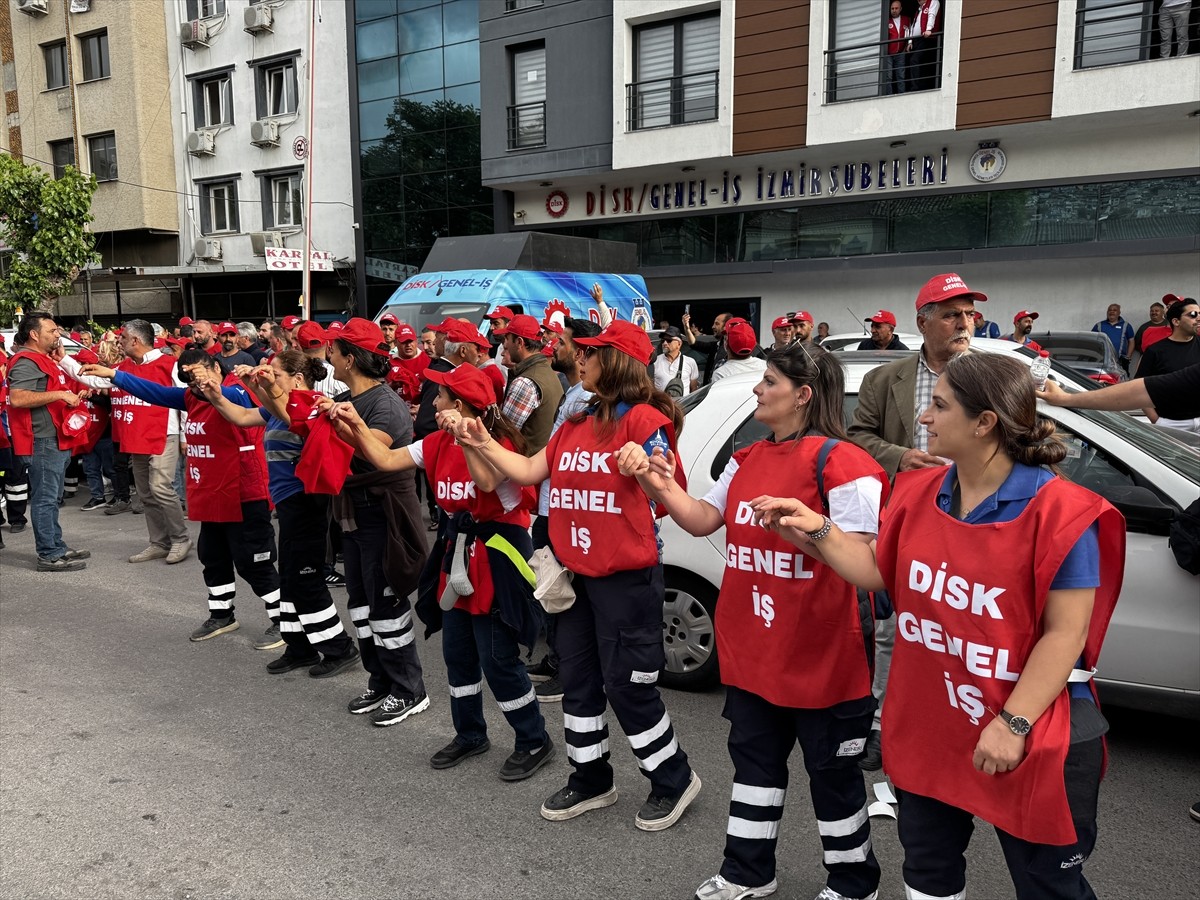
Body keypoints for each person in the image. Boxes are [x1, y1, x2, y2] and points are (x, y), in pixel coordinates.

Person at [756, 352, 1124, 900]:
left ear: (985, 423)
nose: (924, 418)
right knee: (928, 874)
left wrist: (1013, 724)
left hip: (1026, 732)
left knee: (1049, 883)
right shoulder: (920, 492)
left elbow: (1065, 635)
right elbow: (878, 570)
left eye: (941, 406)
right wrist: (811, 528)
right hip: (931, 728)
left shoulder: (1062, 513)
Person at [625, 343, 885, 900]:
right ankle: (747, 872)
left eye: (769, 382)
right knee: (754, 771)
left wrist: (807, 527)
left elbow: (864, 564)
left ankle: (853, 884)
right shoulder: (747, 458)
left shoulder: (847, 464)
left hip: (824, 660)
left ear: (803, 395)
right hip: (754, 654)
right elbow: (702, 520)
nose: (757, 391)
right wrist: (659, 482)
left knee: (834, 780)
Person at [448, 319, 702, 832]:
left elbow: (667, 486)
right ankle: (591, 778)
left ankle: (673, 779)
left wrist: (647, 465)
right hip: (573, 576)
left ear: (616, 362)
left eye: (589, 352)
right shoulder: (574, 421)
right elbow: (526, 472)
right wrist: (478, 440)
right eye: (579, 351)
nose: (577, 358)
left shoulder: (645, 420)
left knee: (628, 686)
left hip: (626, 582)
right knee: (580, 682)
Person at [332, 363, 555, 779]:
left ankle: (534, 739)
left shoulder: (499, 442)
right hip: (458, 552)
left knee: (498, 659)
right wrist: (354, 424)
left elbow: (486, 483)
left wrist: (468, 438)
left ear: (462, 405)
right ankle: (470, 733)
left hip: (499, 556)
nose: (433, 403)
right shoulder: (435, 441)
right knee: (457, 654)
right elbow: (384, 457)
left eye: (441, 397)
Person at [848, 272, 988, 772]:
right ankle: (885, 723)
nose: (964, 323)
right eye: (952, 314)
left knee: (968, 629)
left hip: (980, 523)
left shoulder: (993, 375)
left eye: (969, 313)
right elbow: (856, 437)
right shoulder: (885, 380)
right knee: (894, 628)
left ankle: (967, 723)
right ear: (922, 322)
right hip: (911, 520)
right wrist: (900, 457)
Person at [82, 349, 284, 646]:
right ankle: (222, 615)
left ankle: (284, 620)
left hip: (244, 493)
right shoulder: (190, 396)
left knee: (254, 562)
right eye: (188, 377)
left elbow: (236, 401)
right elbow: (154, 392)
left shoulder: (241, 390)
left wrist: (209, 385)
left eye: (200, 372)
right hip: (212, 493)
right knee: (212, 558)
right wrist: (114, 375)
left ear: (216, 367)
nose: (195, 381)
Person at [195, 352, 361, 678]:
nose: (268, 379)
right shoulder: (278, 408)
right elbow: (242, 416)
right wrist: (215, 395)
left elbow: (292, 417)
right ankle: (299, 648)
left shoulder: (312, 403)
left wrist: (257, 384)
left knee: (306, 578)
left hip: (307, 503)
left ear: (297, 378)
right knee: (288, 578)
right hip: (287, 506)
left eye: (276, 375)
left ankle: (339, 647)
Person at [319, 318, 430, 727]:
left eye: (334, 350)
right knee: (361, 603)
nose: (328, 355)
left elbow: (374, 452)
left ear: (350, 358)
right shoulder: (348, 396)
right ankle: (379, 678)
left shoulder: (384, 403)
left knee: (386, 603)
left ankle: (410, 689)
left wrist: (341, 423)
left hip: (383, 513)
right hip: (354, 513)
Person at [62, 319, 192, 565]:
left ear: (135, 340)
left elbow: (186, 400)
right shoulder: (125, 366)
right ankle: (158, 542)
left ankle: (181, 538)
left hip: (165, 434)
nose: (118, 342)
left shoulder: (170, 365)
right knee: (145, 493)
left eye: (122, 338)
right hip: (137, 436)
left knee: (161, 488)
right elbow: (98, 381)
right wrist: (64, 360)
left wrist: (185, 435)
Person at [525, 316, 602, 703]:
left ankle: (567, 667)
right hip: (548, 504)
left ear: (580, 352)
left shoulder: (585, 399)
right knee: (550, 585)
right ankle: (557, 661)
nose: (553, 347)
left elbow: (555, 458)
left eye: (561, 342)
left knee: (563, 592)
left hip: (561, 509)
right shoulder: (571, 392)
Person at [5, 313, 90, 571]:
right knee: (45, 498)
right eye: (52, 330)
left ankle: (56, 546)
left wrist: (68, 396)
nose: (58, 334)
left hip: (53, 438)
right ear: (34, 334)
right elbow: (18, 398)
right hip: (42, 440)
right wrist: (62, 394)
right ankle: (49, 554)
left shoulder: (43, 359)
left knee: (51, 498)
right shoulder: (26, 361)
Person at [497, 314, 564, 454]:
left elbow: (504, 434)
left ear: (519, 342)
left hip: (524, 465)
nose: (505, 344)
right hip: (537, 464)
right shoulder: (544, 370)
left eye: (507, 338)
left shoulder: (525, 383)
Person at [1133, 297, 1200, 431]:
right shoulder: (1155, 351)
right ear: (1176, 321)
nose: (1198, 318)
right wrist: (1157, 420)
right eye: (1193, 315)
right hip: (1171, 423)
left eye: (1199, 314)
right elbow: (1138, 387)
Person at [652, 327, 701, 397]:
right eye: (663, 341)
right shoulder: (655, 362)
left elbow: (694, 389)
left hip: (683, 406)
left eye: (669, 340)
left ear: (679, 344)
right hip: (661, 406)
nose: (665, 343)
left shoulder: (690, 362)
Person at [907, 0, 941, 91]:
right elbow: (914, 26)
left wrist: (929, 29)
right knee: (917, 62)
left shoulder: (933, 2)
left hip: (926, 38)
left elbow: (932, 15)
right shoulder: (919, 10)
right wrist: (910, 41)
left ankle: (916, 87)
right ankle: (918, 86)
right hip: (917, 41)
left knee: (915, 60)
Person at [1091, 304, 1135, 373]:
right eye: (1110, 310)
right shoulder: (1099, 325)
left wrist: (1128, 357)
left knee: (1122, 381)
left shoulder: (1126, 325)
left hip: (1121, 361)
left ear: (1119, 313)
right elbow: (1092, 341)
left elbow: (1131, 341)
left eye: (1114, 310)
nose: (1112, 312)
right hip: (1102, 360)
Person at [884, 0, 911, 95]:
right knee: (888, 77)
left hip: (901, 52)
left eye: (896, 8)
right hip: (889, 54)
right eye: (892, 8)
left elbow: (909, 33)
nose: (894, 10)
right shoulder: (886, 21)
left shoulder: (906, 20)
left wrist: (909, 43)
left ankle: (902, 95)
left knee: (901, 76)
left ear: (900, 9)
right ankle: (889, 96)